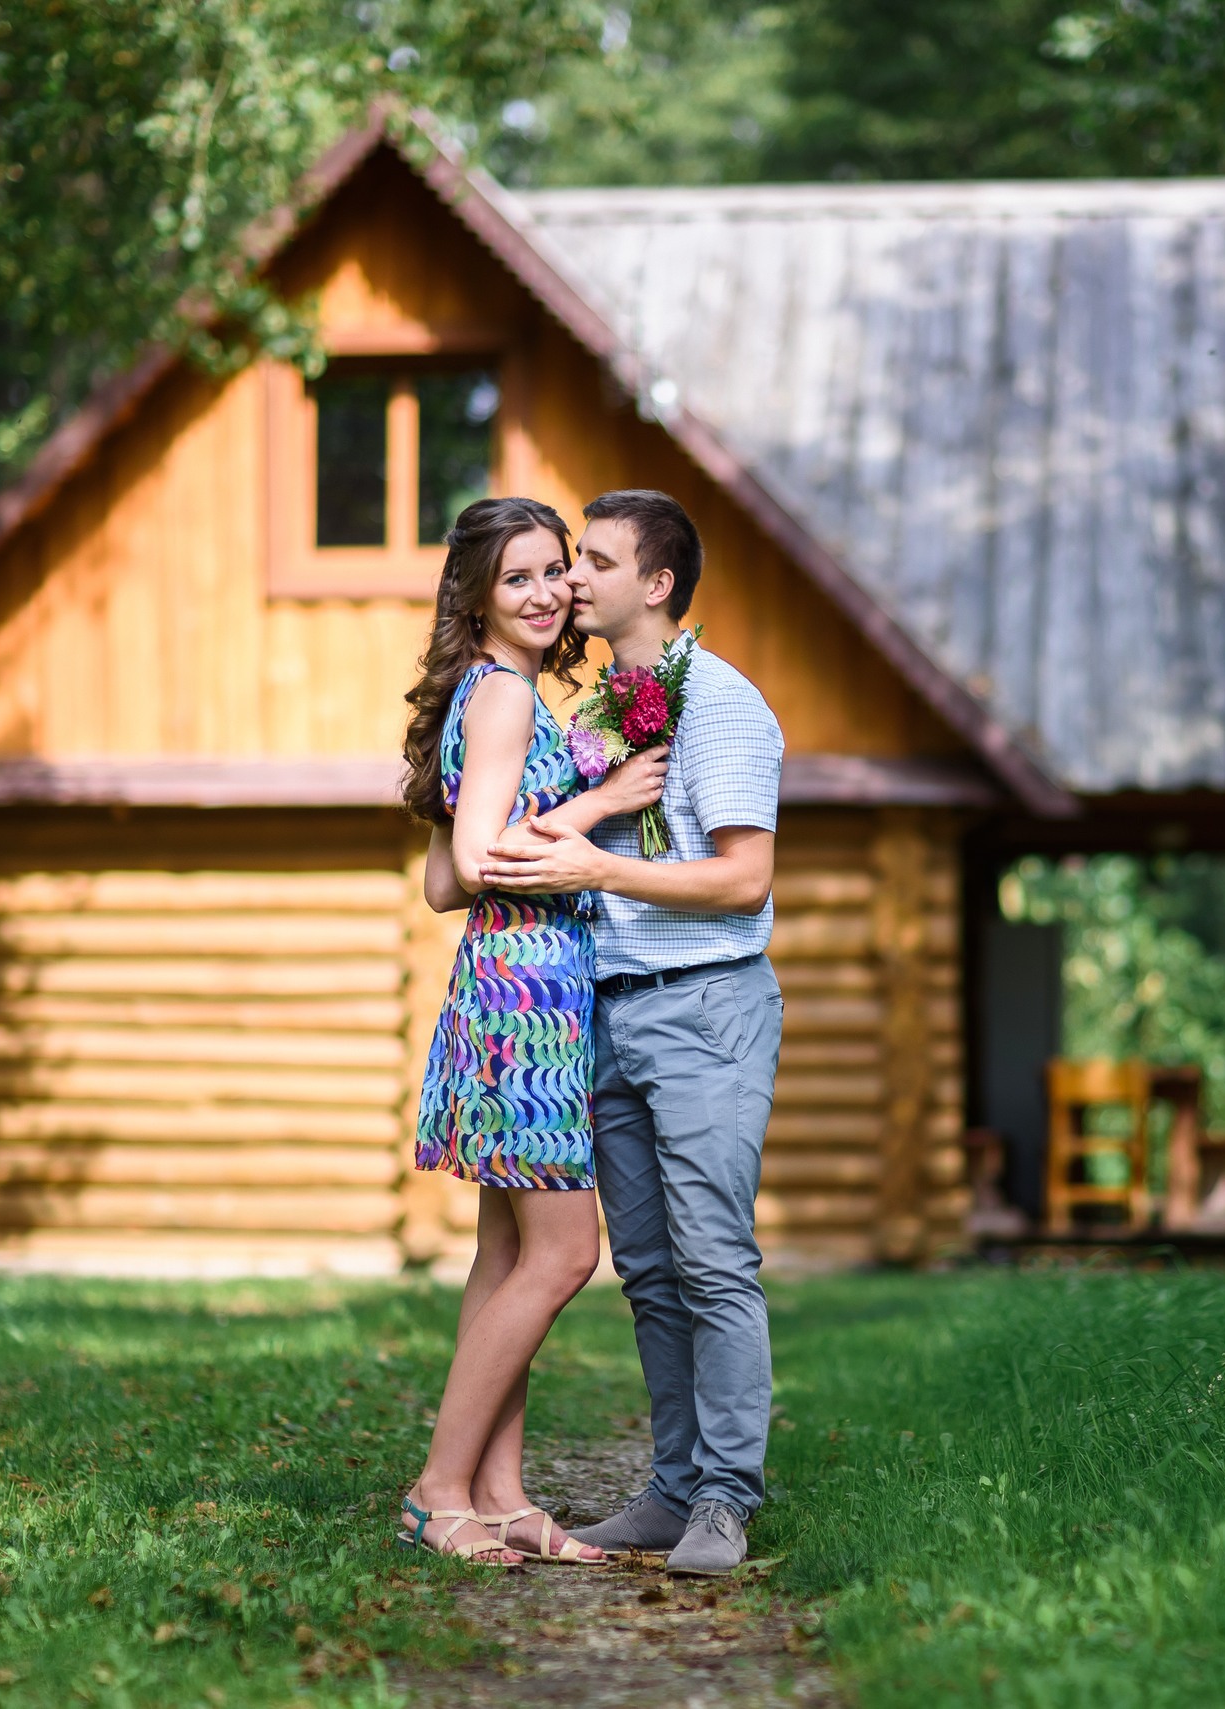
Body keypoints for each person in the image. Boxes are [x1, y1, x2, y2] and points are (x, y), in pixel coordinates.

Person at [479, 489, 783, 1577]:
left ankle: (726, 1497)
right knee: (649, 1269)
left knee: (711, 1258)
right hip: (607, 1010)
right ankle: (669, 1485)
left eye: (593, 563)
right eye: (567, 563)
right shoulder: (607, 708)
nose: (569, 581)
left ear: (655, 584)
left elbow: (746, 880)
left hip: (706, 1005)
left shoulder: (726, 708)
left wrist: (596, 862)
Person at [393, 496, 669, 1567]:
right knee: (564, 1253)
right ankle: (435, 1488)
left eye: (557, 569)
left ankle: (498, 1493)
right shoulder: (503, 695)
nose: (550, 590)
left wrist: (572, 781)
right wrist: (600, 806)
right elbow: (474, 857)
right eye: (519, 577)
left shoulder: (492, 696)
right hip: (528, 1004)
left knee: (505, 1250)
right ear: (476, 597)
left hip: (507, 985)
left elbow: (435, 884)